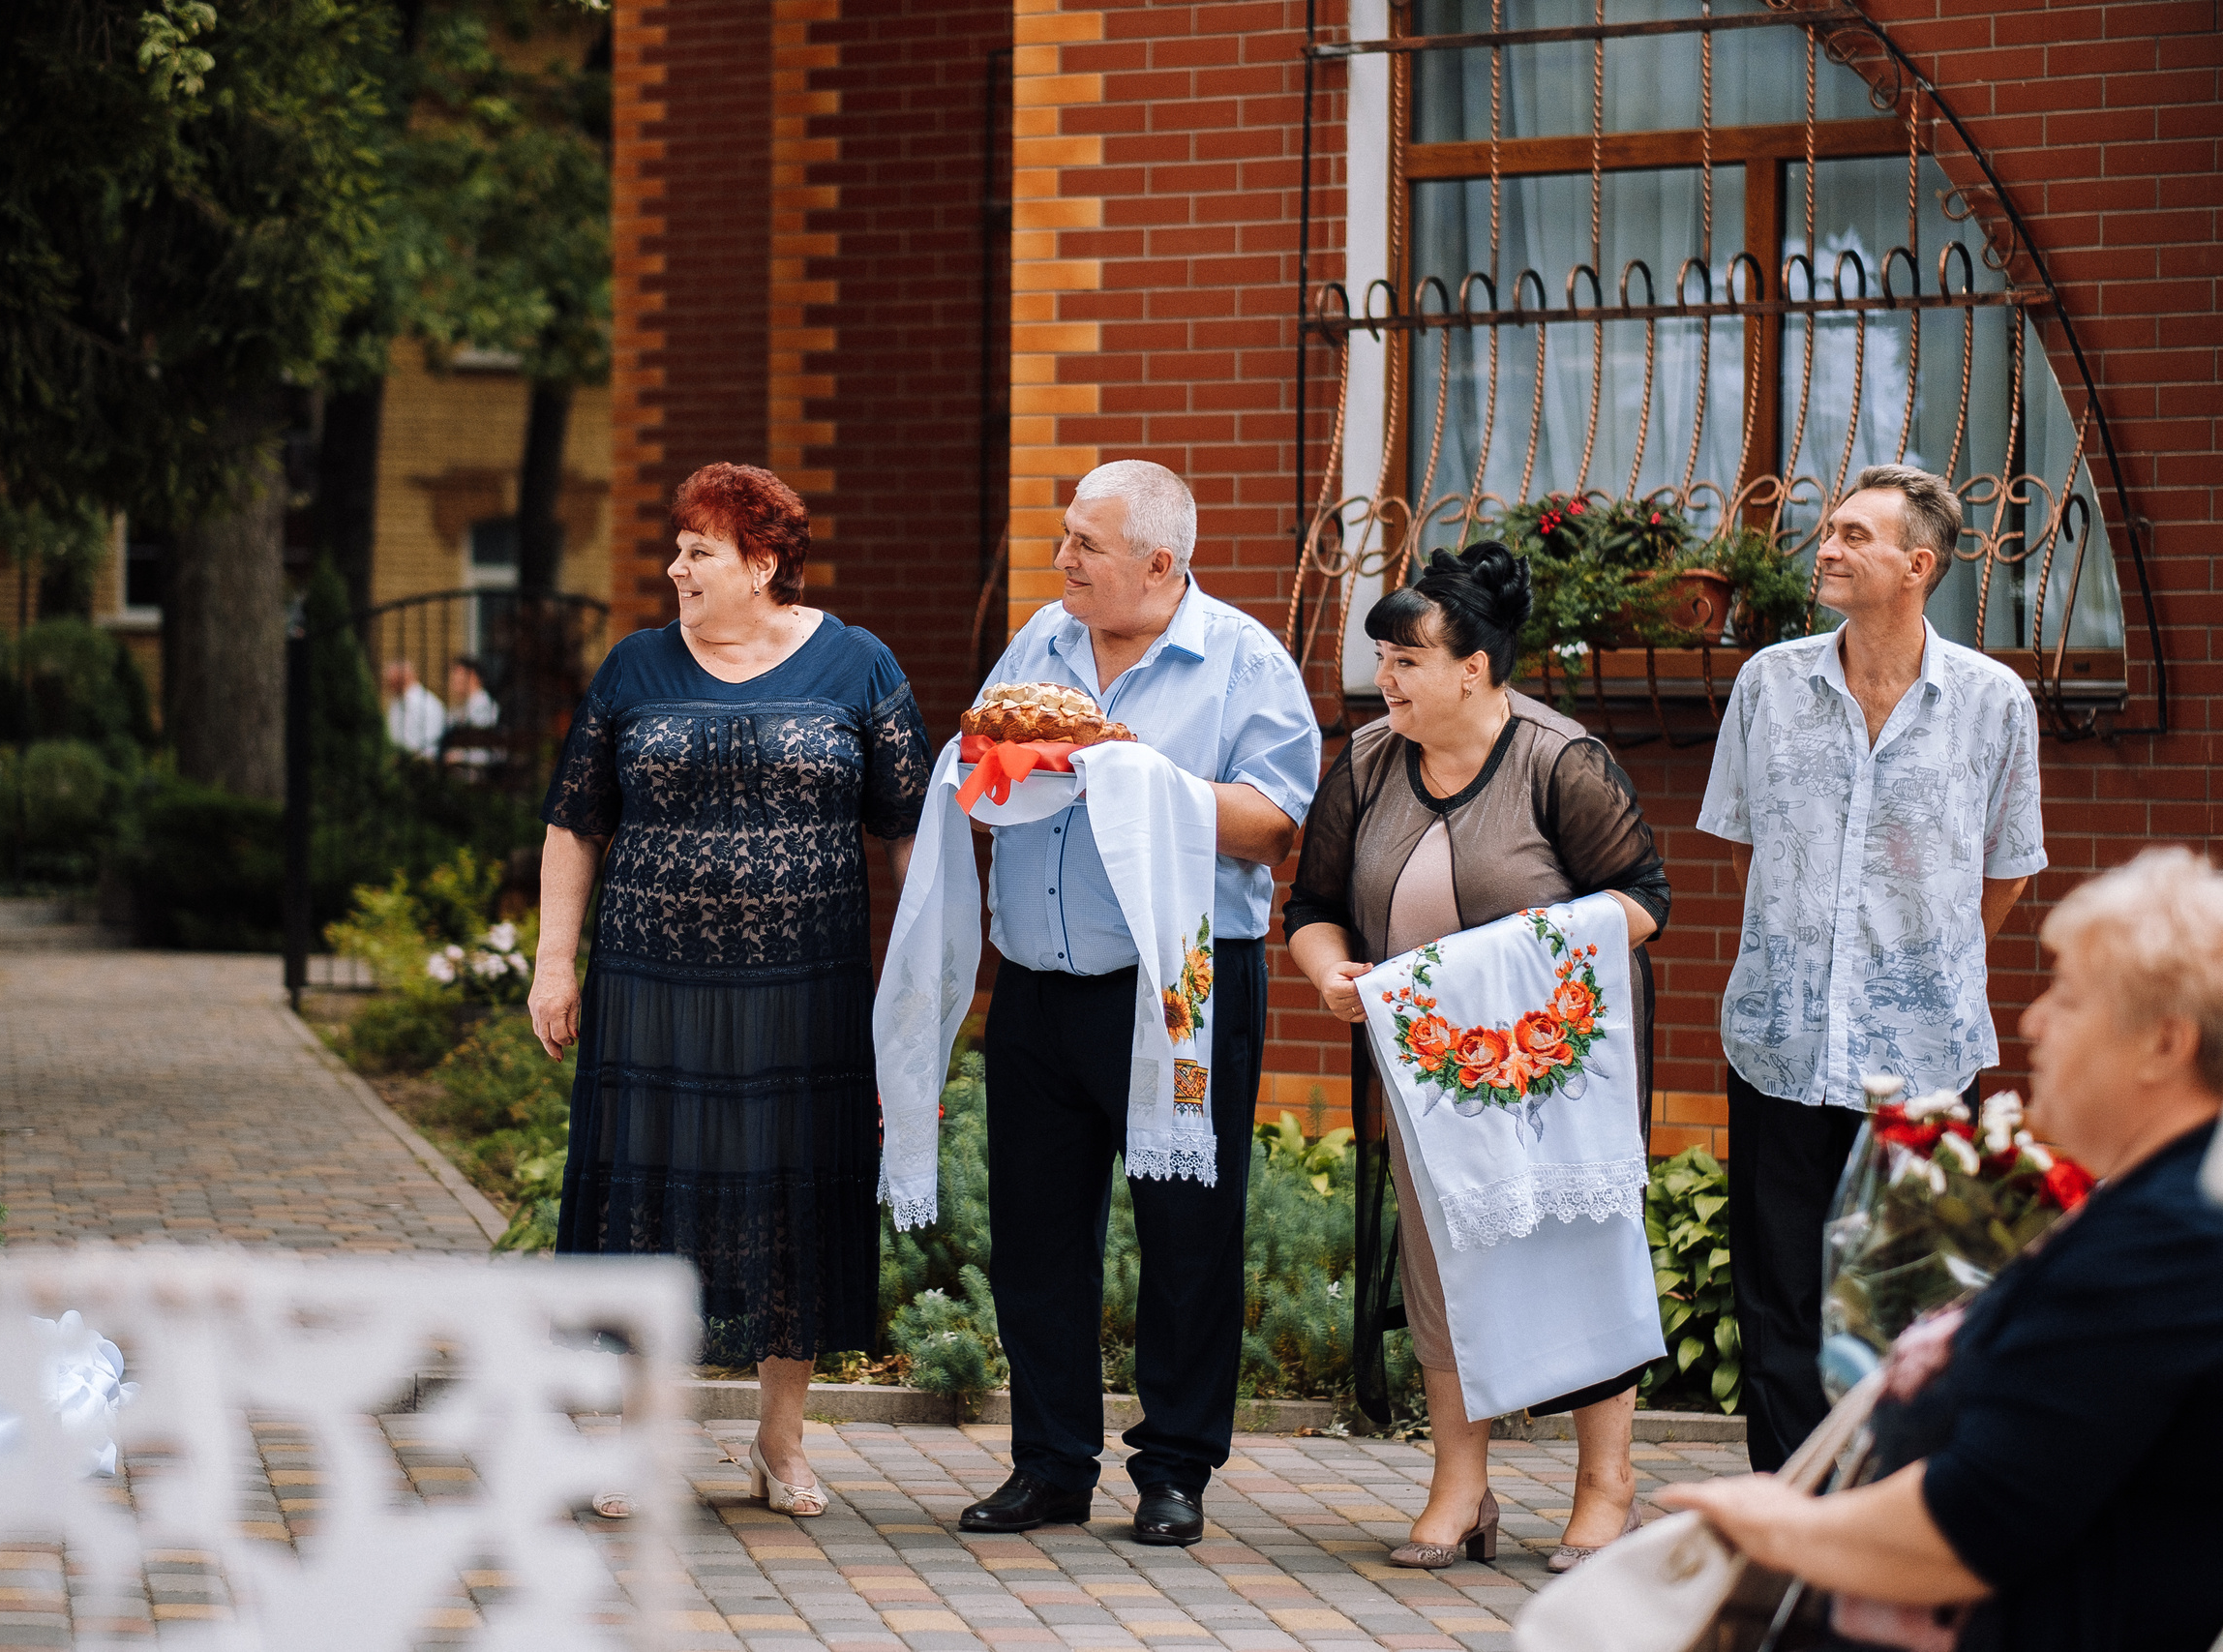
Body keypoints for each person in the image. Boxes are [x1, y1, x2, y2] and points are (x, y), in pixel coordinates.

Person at [1659, 848, 2223, 1652]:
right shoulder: (2149, 1212)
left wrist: (1779, 1523)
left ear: (2165, 1043)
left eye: (2067, 997)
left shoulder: (2165, 1244)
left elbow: (1974, 1522)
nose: (2031, 1021)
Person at [526, 462, 932, 1518]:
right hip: (651, 988)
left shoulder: (859, 666)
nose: (676, 567)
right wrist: (552, 962)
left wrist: (922, 984)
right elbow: (575, 821)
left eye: (699, 551)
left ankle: (780, 1440)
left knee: (789, 1196)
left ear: (763, 563)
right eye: (678, 547)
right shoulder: (634, 669)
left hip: (803, 992)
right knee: (646, 1201)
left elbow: (911, 837)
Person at [1284, 541, 1671, 1573]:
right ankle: (1461, 1487)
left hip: (1556, 1071)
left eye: (1406, 660)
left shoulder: (1559, 759)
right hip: (1433, 1075)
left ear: (1475, 667)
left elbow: (1641, 902)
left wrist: (1494, 962)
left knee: (1580, 1251)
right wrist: (1332, 975)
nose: (1386, 681)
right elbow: (1313, 908)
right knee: (1442, 1264)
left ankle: (1606, 1489)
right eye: (1381, 659)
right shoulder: (1366, 764)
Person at [955, 460, 1319, 1547]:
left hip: (1183, 992)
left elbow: (1274, 824)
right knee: (1034, 1238)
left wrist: (1133, 775)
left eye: (1085, 546)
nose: (1062, 560)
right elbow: (987, 760)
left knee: (1187, 1235)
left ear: (1160, 564)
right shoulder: (1041, 642)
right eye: (1065, 538)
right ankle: (1050, 1466)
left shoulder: (1243, 659)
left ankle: (1174, 1472)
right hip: (1037, 984)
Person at [1697, 463, 2046, 1472]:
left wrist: (1917, 958)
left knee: (1913, 1300)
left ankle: (1885, 1517)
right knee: (1778, 1300)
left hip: (1923, 1053)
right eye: (1828, 530)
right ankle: (1788, 1515)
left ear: (1917, 564)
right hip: (1781, 1039)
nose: (1828, 547)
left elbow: (2004, 874)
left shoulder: (1993, 704)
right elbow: (1747, 847)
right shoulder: (1768, 682)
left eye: (1854, 534)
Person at [382, 658, 446, 759]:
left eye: (391, 680)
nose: (388, 685)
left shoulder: (427, 703)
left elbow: (431, 742)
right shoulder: (397, 702)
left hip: (419, 762)